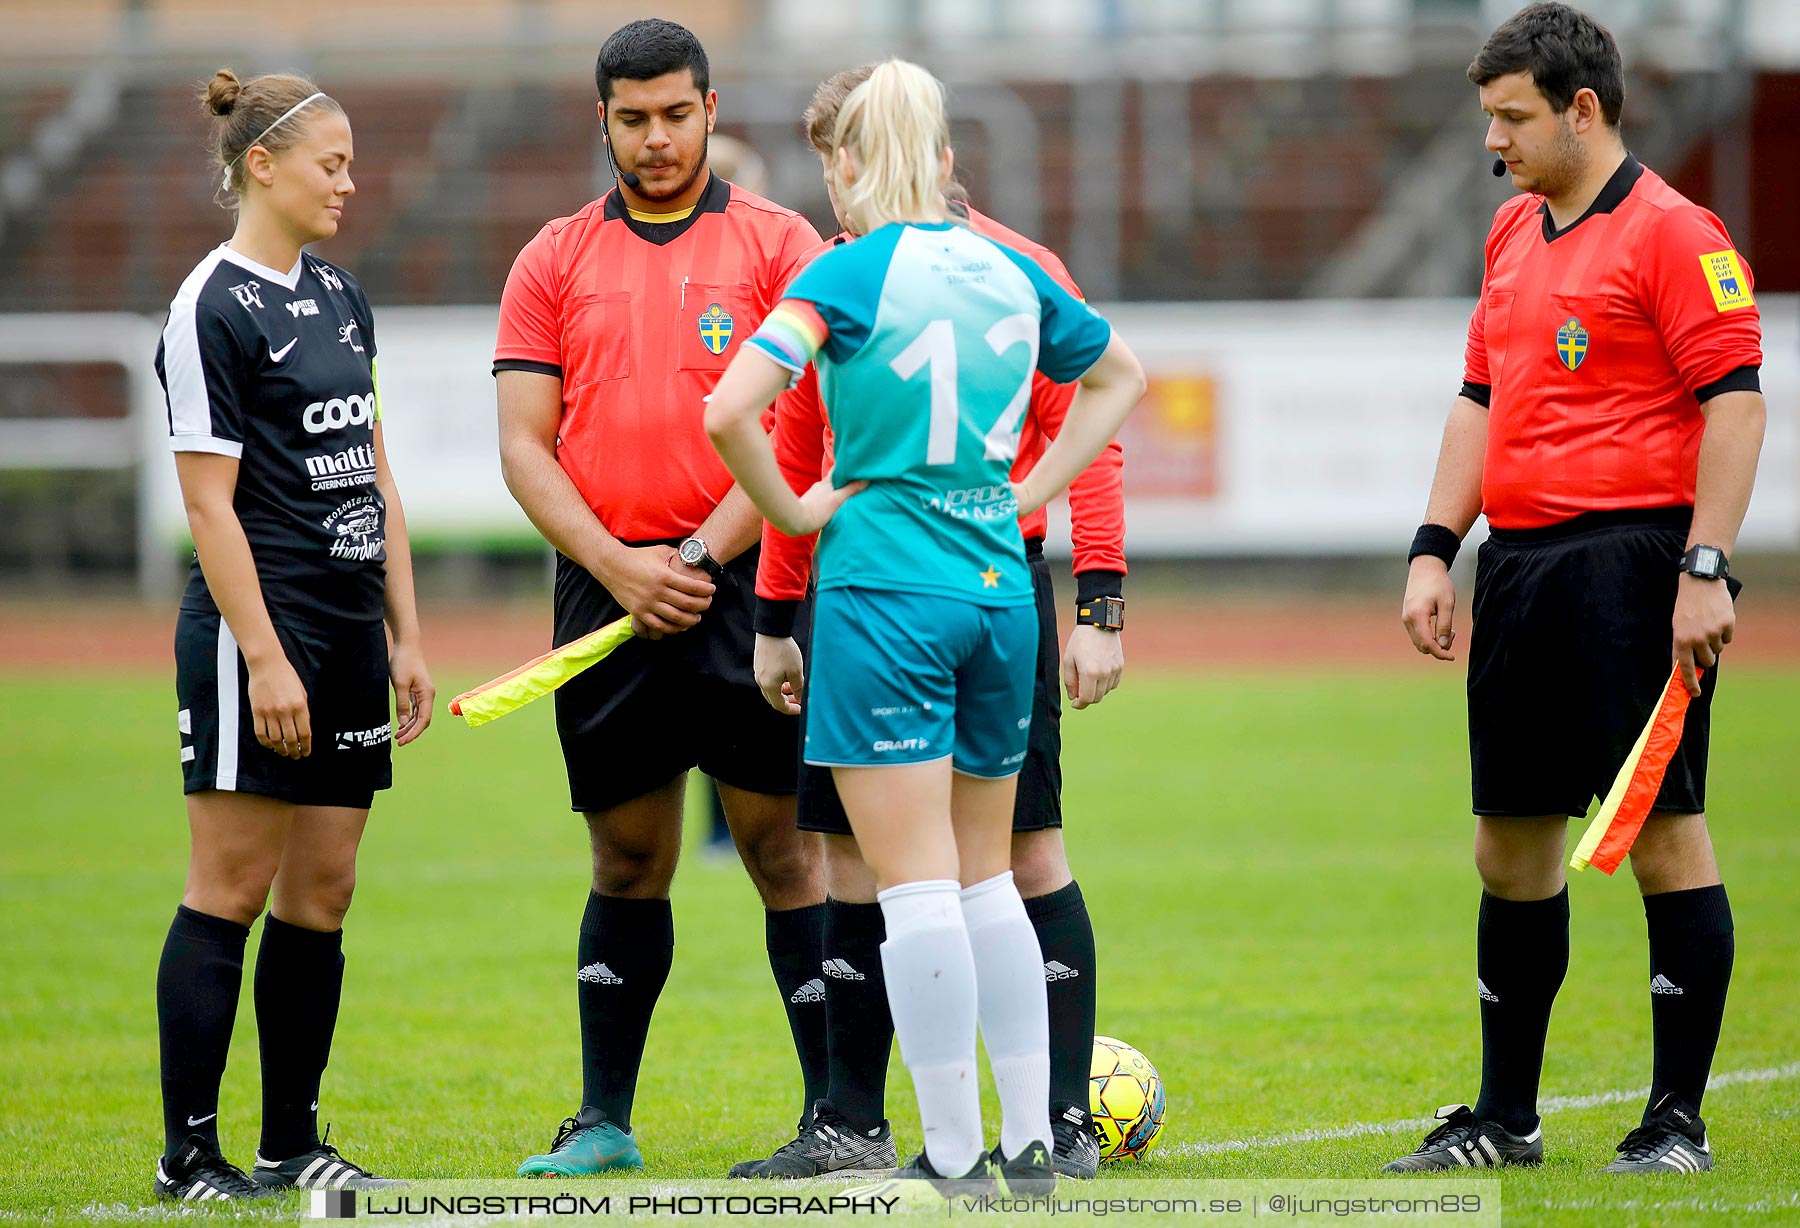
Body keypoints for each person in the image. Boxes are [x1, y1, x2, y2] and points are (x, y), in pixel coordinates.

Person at [705, 59, 1145, 1194]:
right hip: (1000, 592)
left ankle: (950, 1153)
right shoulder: (1010, 267)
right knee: (988, 880)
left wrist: (793, 513)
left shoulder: (844, 275)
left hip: (885, 594)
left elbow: (733, 412)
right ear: (939, 151)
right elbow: (1121, 379)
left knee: (905, 887)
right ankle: (1034, 1141)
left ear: (850, 163)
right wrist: (1022, 484)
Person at [1393, 2, 1763, 1175]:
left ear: (1582, 109)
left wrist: (1705, 565)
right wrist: (1434, 545)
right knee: (1510, 848)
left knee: (1659, 833)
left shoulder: (1673, 231)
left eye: (1511, 118)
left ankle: (1676, 1121)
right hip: (1522, 571)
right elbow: (1479, 399)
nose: (1493, 141)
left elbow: (1738, 405)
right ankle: (1508, 1120)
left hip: (1633, 570)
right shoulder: (1511, 233)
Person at [491, 18, 828, 1175]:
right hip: (608, 587)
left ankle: (830, 1117)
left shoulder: (782, 245)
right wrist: (624, 564)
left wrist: (696, 555)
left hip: (753, 584)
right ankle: (603, 1121)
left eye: (676, 114)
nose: (656, 139)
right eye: (632, 120)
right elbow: (526, 448)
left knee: (787, 851)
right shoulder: (551, 258)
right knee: (628, 859)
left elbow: (803, 422)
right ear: (603, 122)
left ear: (712, 109)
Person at [152, 68, 431, 1200]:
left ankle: (288, 1143)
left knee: (323, 894)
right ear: (260, 165)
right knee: (229, 887)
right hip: (255, 633)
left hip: (351, 629)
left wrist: (405, 633)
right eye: (332, 164)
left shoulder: (341, 293)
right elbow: (209, 503)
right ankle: (188, 1155)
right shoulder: (207, 304)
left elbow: (372, 467)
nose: (349, 185)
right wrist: (264, 655)